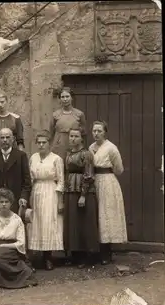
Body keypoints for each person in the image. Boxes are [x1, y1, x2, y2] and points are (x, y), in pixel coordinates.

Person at [0, 189, 37, 288]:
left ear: (11, 203)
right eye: (1, 202)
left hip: (10, 249)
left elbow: (21, 243)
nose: (4, 204)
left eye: (6, 202)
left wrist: (3, 245)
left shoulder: (17, 219)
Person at [89, 121, 127, 265]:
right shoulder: (91, 147)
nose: (96, 133)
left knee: (106, 214)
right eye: (94, 131)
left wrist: (107, 173)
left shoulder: (111, 148)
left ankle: (107, 252)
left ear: (105, 132)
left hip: (108, 182)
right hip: (94, 181)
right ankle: (97, 249)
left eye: (99, 131)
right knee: (95, 213)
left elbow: (119, 169)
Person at [28, 131, 65, 270]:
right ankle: (36, 256)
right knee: (37, 222)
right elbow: (30, 178)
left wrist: (60, 200)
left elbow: (61, 181)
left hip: (51, 191)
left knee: (49, 222)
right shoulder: (33, 158)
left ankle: (48, 257)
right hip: (37, 190)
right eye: (39, 142)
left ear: (49, 144)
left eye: (44, 142)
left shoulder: (56, 159)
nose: (41, 145)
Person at [64, 127, 99, 268]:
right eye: (71, 136)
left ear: (81, 138)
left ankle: (87, 256)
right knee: (73, 223)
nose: (73, 139)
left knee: (84, 223)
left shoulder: (87, 154)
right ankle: (75, 254)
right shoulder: (67, 153)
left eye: (76, 136)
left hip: (83, 192)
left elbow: (89, 175)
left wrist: (83, 195)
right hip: (70, 190)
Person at [0, 128, 31, 215]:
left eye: (7, 137)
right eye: (2, 138)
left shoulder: (21, 156)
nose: (5, 140)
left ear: (13, 139)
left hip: (16, 200)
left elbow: (27, 181)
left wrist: (24, 197)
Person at [0, 92, 25, 161]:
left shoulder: (16, 118)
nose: (0, 105)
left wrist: (21, 158)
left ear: (7, 101)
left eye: (2, 102)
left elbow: (20, 141)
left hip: (13, 151)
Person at [50, 87, 86, 161]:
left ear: (71, 98)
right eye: (62, 97)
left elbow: (84, 133)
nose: (65, 99)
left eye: (67, 96)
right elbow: (51, 133)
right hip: (59, 147)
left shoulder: (79, 114)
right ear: (60, 99)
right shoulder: (55, 115)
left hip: (74, 145)